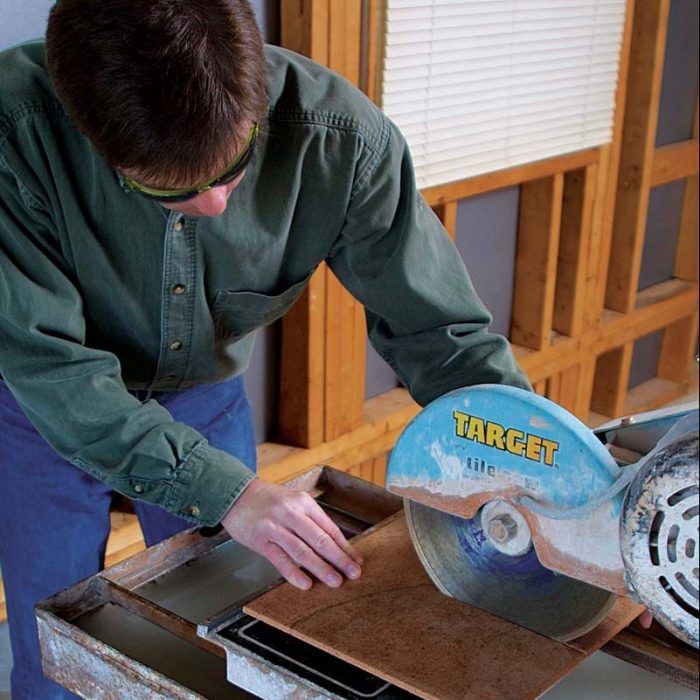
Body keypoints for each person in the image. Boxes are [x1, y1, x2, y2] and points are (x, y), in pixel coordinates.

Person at [0, 1, 531, 697]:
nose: (216, 205)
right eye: (172, 191)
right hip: (44, 407)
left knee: (230, 630)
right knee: (55, 644)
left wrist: (527, 455)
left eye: (233, 169)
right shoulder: (15, 134)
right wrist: (231, 492)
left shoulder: (341, 138)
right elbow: (54, 370)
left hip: (202, 394)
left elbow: (443, 336)